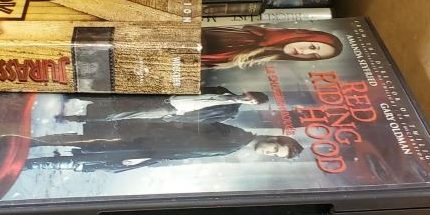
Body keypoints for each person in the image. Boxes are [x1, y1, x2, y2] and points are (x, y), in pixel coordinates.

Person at [24, 119, 303, 172]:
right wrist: (147, 145)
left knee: (94, 156)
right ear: (273, 139)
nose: (270, 153)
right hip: (148, 139)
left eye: (275, 156)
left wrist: (148, 158)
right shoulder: (235, 135)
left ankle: (35, 158)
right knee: (90, 144)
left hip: (152, 150)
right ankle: (33, 146)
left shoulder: (237, 146)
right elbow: (189, 128)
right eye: (275, 149)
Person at [55, 87, 269, 123]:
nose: (249, 100)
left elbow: (202, 119)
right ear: (249, 92)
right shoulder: (222, 89)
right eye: (252, 97)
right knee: (118, 98)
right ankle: (77, 98)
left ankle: (72, 119)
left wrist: (176, 117)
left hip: (169, 109)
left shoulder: (229, 111)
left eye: (253, 102)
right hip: (168, 96)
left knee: (122, 115)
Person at [201, 24, 343, 68]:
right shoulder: (252, 37)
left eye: (313, 56)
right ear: (307, 37)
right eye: (312, 47)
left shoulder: (260, 58)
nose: (304, 53)